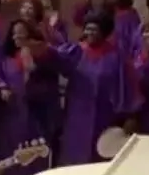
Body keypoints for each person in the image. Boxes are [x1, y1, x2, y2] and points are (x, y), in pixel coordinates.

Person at [24, 12, 140, 166]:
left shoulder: (117, 57)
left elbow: (126, 87)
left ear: (104, 32)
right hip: (77, 115)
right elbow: (57, 58)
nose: (89, 33)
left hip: (105, 117)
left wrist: (129, 115)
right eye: (87, 29)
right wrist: (41, 49)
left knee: (99, 160)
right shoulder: (77, 51)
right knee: (74, 157)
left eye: (94, 29)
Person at [0, 20, 58, 175]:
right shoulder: (6, 59)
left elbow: (48, 83)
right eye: (14, 33)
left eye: (21, 32)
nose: (17, 36)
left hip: (35, 113)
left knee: (33, 154)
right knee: (9, 153)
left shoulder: (41, 57)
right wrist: (2, 89)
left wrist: (31, 64)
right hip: (11, 113)